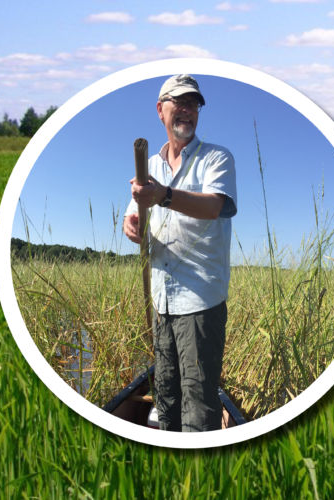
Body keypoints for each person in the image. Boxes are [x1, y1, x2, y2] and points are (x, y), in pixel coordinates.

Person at [123, 74, 237, 432]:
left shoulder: (216, 158)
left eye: (194, 104)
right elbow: (135, 217)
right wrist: (132, 226)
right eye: (179, 102)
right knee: (167, 395)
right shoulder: (150, 168)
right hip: (162, 303)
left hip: (200, 302)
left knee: (199, 401)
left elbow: (216, 206)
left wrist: (164, 196)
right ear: (161, 110)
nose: (187, 110)